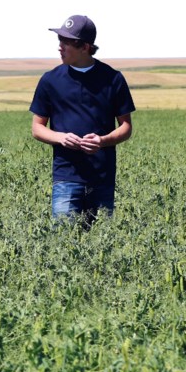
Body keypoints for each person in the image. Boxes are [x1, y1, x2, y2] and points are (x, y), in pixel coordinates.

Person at [30, 15, 135, 228]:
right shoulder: (50, 80)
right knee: (63, 244)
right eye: (59, 41)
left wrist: (102, 141)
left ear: (85, 47)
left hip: (102, 177)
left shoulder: (113, 79)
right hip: (66, 175)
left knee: (100, 246)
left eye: (66, 42)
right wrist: (60, 137)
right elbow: (37, 128)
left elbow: (126, 126)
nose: (60, 47)